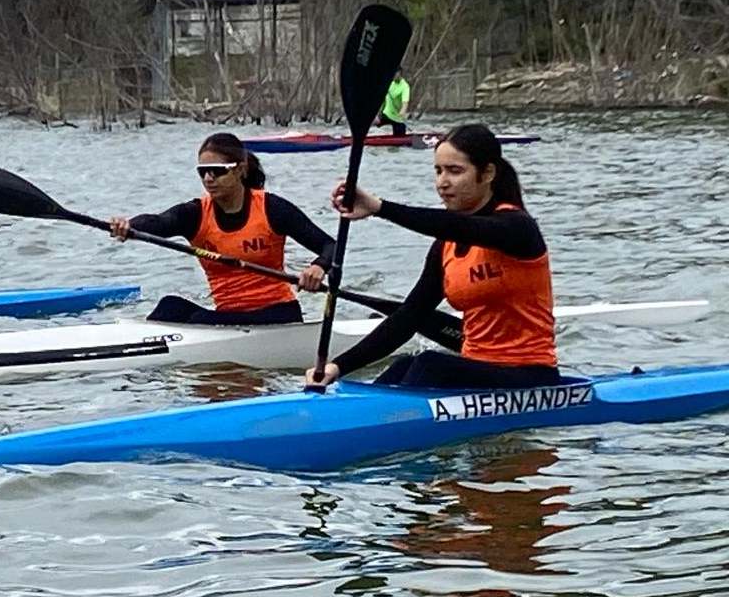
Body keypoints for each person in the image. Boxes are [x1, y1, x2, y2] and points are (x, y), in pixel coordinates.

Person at [306, 124, 559, 389]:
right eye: (438, 171)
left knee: (429, 363)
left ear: (487, 174)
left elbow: (461, 227)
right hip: (476, 370)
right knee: (404, 364)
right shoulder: (444, 247)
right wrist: (338, 366)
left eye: (455, 171)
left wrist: (380, 208)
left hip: (531, 376)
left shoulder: (517, 228)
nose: (442, 183)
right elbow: (408, 317)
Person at [108, 132, 334, 325]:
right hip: (227, 315)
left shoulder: (272, 208)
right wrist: (129, 226)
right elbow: (158, 222)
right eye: (203, 172)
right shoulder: (196, 214)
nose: (208, 179)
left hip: (277, 314)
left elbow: (330, 246)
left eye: (217, 171)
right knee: (170, 306)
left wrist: (318, 266)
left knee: (198, 320)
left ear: (240, 170)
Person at [375, 66, 411, 136]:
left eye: (394, 73)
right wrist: (378, 112)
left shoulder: (405, 86)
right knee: (372, 120)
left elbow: (405, 103)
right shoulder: (388, 83)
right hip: (386, 114)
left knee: (399, 138)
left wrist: (402, 111)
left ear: (399, 73)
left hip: (398, 117)